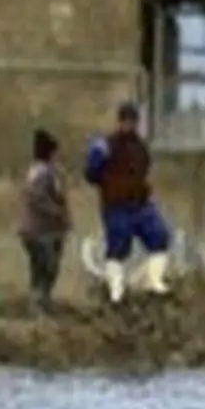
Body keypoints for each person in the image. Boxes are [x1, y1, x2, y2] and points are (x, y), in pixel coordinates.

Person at [84, 102, 172, 304]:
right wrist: (108, 183)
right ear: (120, 121)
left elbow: (144, 169)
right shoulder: (106, 146)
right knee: (118, 246)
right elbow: (91, 174)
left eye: (132, 121)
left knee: (159, 236)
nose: (129, 125)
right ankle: (116, 292)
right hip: (116, 205)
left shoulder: (140, 147)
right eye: (126, 121)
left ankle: (153, 281)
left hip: (140, 203)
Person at [17, 128, 72, 313]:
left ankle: (41, 302)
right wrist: (57, 213)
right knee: (46, 267)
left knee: (42, 267)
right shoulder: (43, 173)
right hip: (41, 230)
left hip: (41, 230)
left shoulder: (43, 171)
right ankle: (39, 303)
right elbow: (37, 199)